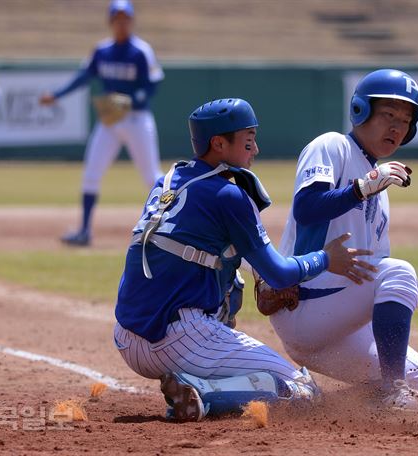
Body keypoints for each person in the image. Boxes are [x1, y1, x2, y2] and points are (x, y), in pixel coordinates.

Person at [113, 97, 374, 421]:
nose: (256, 150)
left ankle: (201, 374)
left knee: (226, 273)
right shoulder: (229, 195)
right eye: (248, 141)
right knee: (303, 391)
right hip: (178, 341)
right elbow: (279, 274)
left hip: (126, 337)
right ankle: (202, 393)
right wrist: (325, 258)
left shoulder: (166, 183)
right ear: (219, 143)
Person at [266, 69, 418, 411]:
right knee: (400, 270)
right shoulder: (332, 146)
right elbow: (307, 209)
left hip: (338, 328)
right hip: (305, 304)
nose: (396, 127)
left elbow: (376, 266)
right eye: (388, 114)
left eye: (405, 121)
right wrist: (365, 186)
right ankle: (392, 390)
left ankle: (310, 407)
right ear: (361, 110)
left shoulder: (380, 192)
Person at [40, 0, 164, 246]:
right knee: (91, 174)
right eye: (117, 18)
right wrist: (57, 95)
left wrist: (132, 99)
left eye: (125, 18)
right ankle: (84, 231)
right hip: (110, 121)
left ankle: (168, 227)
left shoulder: (141, 50)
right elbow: (83, 77)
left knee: (152, 177)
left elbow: (154, 82)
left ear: (131, 21)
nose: (121, 22)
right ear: (110, 22)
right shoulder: (102, 50)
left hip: (137, 119)